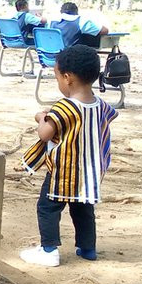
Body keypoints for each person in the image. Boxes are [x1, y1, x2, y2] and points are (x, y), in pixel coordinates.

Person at [19, 44, 119, 267]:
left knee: (48, 207)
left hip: (63, 172)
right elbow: (109, 119)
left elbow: (45, 135)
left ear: (67, 78)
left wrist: (41, 118)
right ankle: (87, 248)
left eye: (57, 78)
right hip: (90, 173)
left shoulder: (64, 107)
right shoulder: (102, 105)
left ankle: (49, 249)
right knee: (83, 209)